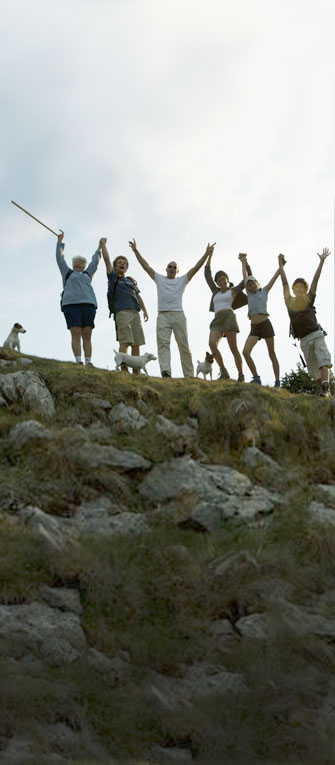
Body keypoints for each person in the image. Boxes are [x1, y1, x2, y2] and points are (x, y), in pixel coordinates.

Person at [129, 238, 216, 377]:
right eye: (170, 266)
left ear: (177, 271)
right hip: (163, 316)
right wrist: (135, 251)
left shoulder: (182, 280)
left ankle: (189, 375)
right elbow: (146, 266)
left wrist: (206, 254)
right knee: (163, 345)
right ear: (166, 269)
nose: (172, 268)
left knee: (184, 345)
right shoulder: (159, 278)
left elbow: (196, 268)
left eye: (174, 267)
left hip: (178, 315)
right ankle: (166, 371)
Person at [278, 249, 332, 397]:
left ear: (305, 289)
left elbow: (315, 280)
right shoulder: (290, 301)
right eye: (296, 287)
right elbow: (284, 283)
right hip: (303, 339)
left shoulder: (308, 299)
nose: (299, 288)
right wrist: (281, 267)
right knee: (313, 369)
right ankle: (324, 390)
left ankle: (326, 386)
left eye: (302, 287)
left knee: (323, 359)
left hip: (316, 334)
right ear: (294, 289)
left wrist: (321, 261)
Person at [100, 238, 148, 372]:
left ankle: (136, 371)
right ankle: (124, 369)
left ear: (127, 267)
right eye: (119, 263)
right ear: (115, 267)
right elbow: (107, 260)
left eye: (124, 263)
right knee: (125, 341)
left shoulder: (131, 281)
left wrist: (144, 310)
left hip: (135, 312)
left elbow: (138, 296)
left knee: (137, 343)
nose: (122, 264)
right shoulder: (113, 278)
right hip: (121, 312)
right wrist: (103, 245)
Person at [204, 249, 251, 381]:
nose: (221, 282)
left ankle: (241, 374)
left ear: (227, 280)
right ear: (217, 282)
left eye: (223, 279)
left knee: (233, 348)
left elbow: (246, 279)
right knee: (212, 344)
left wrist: (244, 262)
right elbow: (207, 276)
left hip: (229, 317)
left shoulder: (233, 291)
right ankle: (223, 371)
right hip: (217, 319)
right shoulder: (215, 291)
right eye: (219, 280)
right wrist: (210, 255)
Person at [56, 232, 101, 366]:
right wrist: (60, 243)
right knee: (76, 333)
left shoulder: (88, 273)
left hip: (88, 305)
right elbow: (60, 259)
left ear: (84, 265)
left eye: (80, 262)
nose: (78, 264)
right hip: (71, 305)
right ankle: (78, 361)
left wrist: (99, 248)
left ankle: (88, 362)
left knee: (87, 334)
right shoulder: (67, 273)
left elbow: (95, 262)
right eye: (75, 262)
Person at [239, 253, 281, 386]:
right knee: (245, 352)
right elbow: (244, 276)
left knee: (271, 353)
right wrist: (243, 262)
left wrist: (280, 266)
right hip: (254, 327)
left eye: (253, 284)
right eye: (249, 285)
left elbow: (274, 278)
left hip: (265, 324)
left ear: (258, 283)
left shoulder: (264, 291)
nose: (251, 286)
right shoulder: (249, 295)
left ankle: (277, 381)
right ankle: (256, 377)